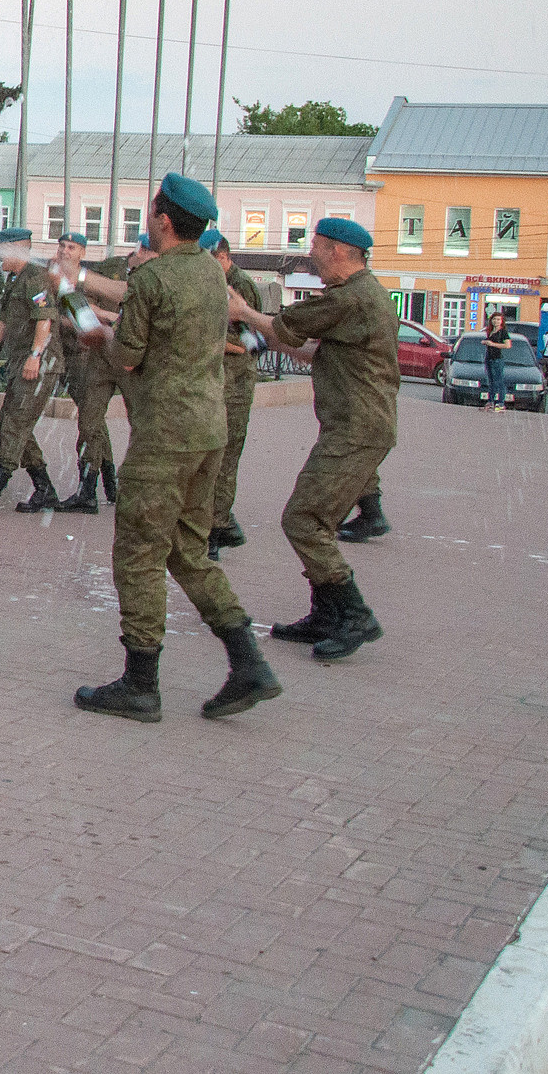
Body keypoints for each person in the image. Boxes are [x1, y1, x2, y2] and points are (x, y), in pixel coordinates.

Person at [74, 174, 281, 723]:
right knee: (188, 551)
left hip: (164, 438)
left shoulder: (153, 278)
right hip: (207, 433)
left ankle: (141, 684)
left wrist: (92, 332)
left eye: (149, 210)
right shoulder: (215, 277)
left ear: (162, 220)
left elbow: (125, 360)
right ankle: (248, 661)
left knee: (139, 553)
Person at [227, 216, 396, 663]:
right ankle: (325, 614)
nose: (311, 255)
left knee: (304, 520)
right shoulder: (360, 295)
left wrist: (243, 312)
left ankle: (353, 613)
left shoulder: (353, 298)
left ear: (338, 250)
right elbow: (309, 347)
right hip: (356, 425)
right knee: (312, 520)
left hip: (357, 429)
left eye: (316, 247)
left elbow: (286, 326)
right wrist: (262, 331)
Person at [0, 228, 63, 513]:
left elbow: (44, 319)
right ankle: (45, 490)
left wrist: (35, 356)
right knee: (13, 423)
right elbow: (6, 320)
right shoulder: (15, 279)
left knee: (14, 424)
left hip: (39, 363)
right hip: (21, 361)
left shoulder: (35, 278)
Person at [51, 231, 132, 510]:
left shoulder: (88, 280)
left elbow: (101, 316)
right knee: (93, 422)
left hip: (86, 357)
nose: (65, 252)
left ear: (83, 252)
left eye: (72, 247)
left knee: (90, 422)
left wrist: (70, 321)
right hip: (67, 355)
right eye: (62, 246)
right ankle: (108, 484)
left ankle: (92, 488)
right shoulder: (52, 275)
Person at [205, 230, 266, 559]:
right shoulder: (216, 281)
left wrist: (207, 343)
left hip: (236, 384)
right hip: (218, 381)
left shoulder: (237, 287)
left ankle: (214, 532)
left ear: (223, 259)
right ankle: (223, 523)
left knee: (224, 458)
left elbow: (248, 345)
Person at [482, 309, 513, 412]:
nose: (496, 321)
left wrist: (492, 344)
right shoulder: (490, 331)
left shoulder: (503, 332)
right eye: (494, 319)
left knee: (499, 381)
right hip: (489, 358)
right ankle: (490, 401)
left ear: (502, 321)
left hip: (498, 359)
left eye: (498, 319)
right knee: (491, 381)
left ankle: (500, 403)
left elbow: (508, 345)